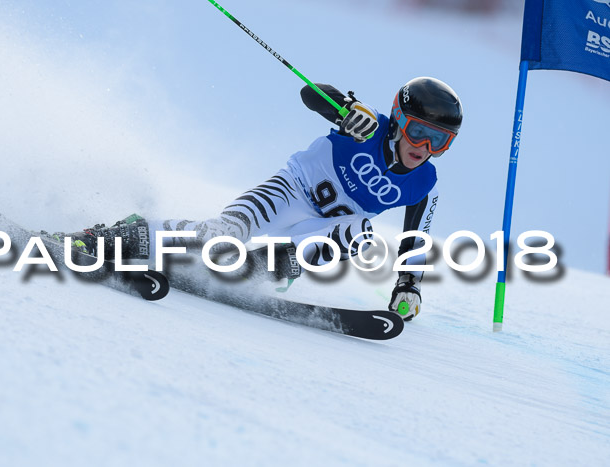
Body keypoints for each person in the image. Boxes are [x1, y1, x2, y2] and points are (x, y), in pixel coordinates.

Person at [63, 77, 463, 321]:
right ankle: (109, 237)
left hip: (319, 230)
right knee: (220, 236)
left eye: (440, 141)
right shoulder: (368, 125)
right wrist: (344, 111)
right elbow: (312, 93)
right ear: (398, 119)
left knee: (362, 232)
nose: (424, 146)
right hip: (289, 192)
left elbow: (416, 242)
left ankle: (261, 269)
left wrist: (408, 286)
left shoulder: (424, 183)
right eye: (416, 131)